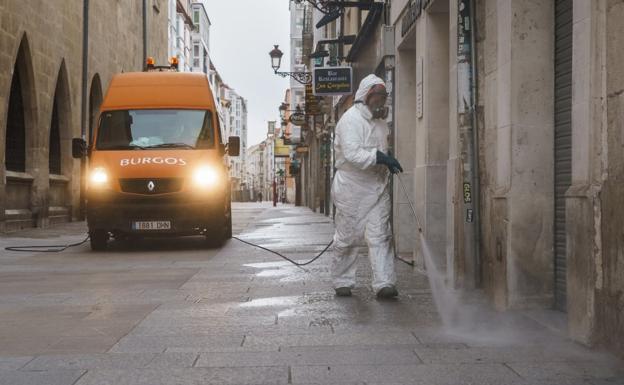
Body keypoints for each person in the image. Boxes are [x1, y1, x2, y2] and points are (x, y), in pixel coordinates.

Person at [331, 74, 403, 299]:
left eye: (384, 96)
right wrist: (380, 158)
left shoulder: (381, 124)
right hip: (352, 188)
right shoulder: (350, 120)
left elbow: (380, 149)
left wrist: (386, 160)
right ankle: (343, 280)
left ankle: (384, 283)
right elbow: (352, 154)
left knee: (380, 235)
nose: (381, 100)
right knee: (348, 237)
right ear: (366, 96)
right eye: (378, 95)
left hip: (377, 186)